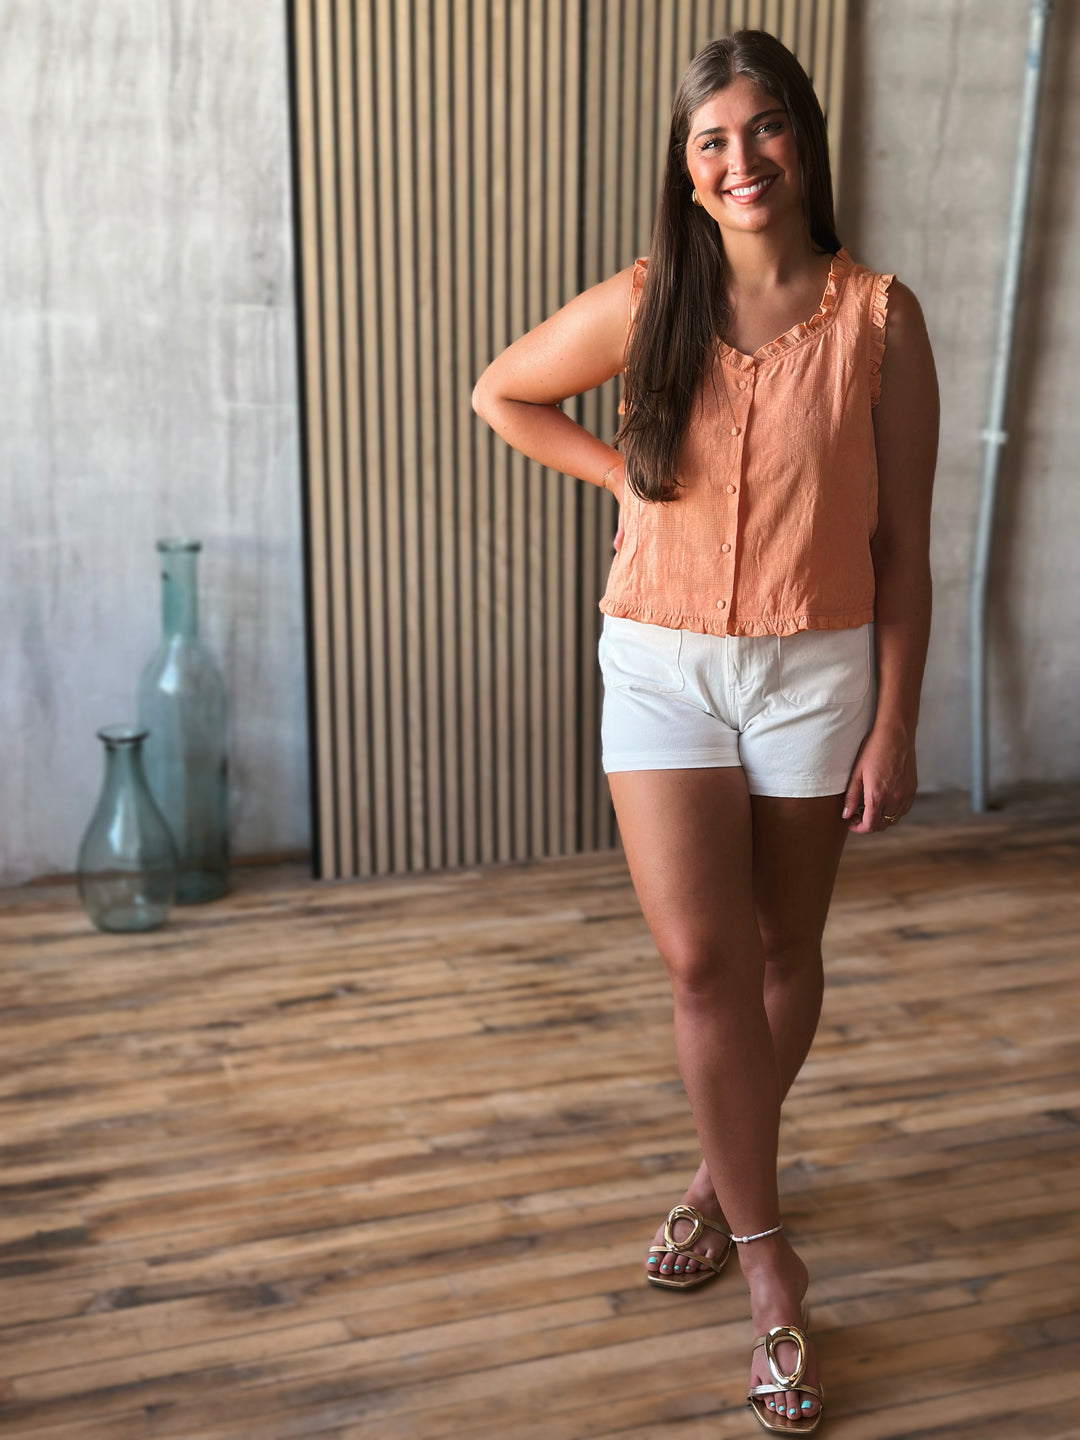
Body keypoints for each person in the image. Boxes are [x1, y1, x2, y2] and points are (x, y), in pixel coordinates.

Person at [472, 29, 937, 1435]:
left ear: (805, 139)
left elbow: (905, 549)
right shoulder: (648, 300)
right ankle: (771, 1262)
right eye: (711, 141)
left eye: (764, 127)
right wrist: (624, 478)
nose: (742, 160)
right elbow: (503, 392)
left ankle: (715, 1176)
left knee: (784, 951)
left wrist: (897, 722)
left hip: (815, 675)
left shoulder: (880, 320)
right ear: (685, 170)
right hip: (660, 668)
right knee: (701, 965)